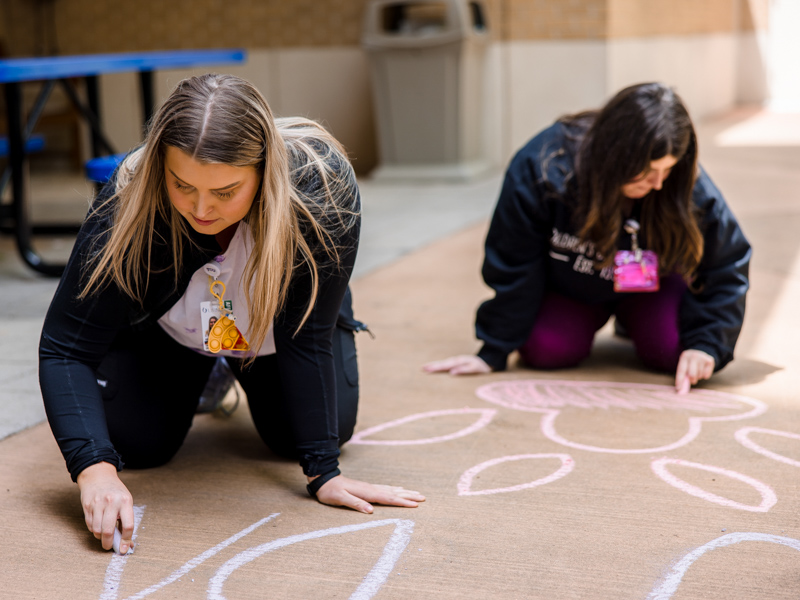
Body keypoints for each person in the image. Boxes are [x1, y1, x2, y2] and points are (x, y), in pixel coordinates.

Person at [39, 73, 424, 556]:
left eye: (225, 191)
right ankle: (210, 368)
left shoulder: (322, 184)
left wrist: (323, 471)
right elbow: (65, 347)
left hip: (278, 329)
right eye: (182, 185)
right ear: (161, 167)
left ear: (265, 171)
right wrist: (93, 468)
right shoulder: (128, 196)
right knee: (135, 446)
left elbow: (308, 335)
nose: (201, 209)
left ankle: (230, 365)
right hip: (173, 329)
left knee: (298, 437)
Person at [424, 83, 750, 393]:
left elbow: (728, 257)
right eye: (647, 171)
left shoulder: (677, 181)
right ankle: (604, 322)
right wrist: (493, 350)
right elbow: (514, 259)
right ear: (614, 156)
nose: (658, 183)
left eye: (668, 169)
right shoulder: (543, 167)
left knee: (677, 352)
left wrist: (708, 343)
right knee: (545, 349)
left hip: (650, 286)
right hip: (572, 288)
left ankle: (635, 322)